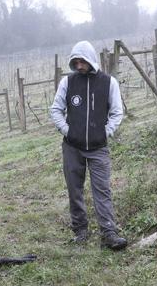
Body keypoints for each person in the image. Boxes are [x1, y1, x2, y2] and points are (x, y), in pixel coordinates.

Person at [50, 40, 128, 250]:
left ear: (90, 60)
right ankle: (80, 231)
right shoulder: (67, 83)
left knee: (102, 190)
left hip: (98, 148)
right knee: (74, 189)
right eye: (74, 62)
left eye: (81, 61)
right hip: (72, 147)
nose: (78, 65)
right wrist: (68, 131)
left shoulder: (108, 83)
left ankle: (109, 233)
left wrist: (105, 132)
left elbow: (117, 112)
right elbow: (55, 110)